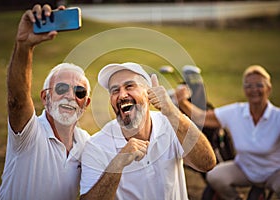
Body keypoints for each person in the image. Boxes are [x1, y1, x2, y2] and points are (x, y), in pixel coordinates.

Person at [79, 62, 216, 199]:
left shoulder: (171, 124)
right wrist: (117, 164)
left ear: (149, 94)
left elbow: (207, 163)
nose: (121, 95)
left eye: (129, 86)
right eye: (115, 90)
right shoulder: (96, 146)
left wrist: (172, 112)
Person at [0, 4, 91, 200]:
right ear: (45, 98)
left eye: (79, 92)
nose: (70, 96)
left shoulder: (86, 144)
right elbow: (17, 100)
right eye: (62, 88)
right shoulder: (29, 133)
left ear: (86, 103)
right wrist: (24, 46)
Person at [175, 65, 280, 200]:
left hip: (274, 173)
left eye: (259, 85)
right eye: (248, 85)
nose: (254, 90)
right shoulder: (236, 112)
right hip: (244, 169)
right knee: (214, 176)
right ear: (244, 89)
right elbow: (201, 117)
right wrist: (182, 101)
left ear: (269, 88)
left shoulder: (277, 117)